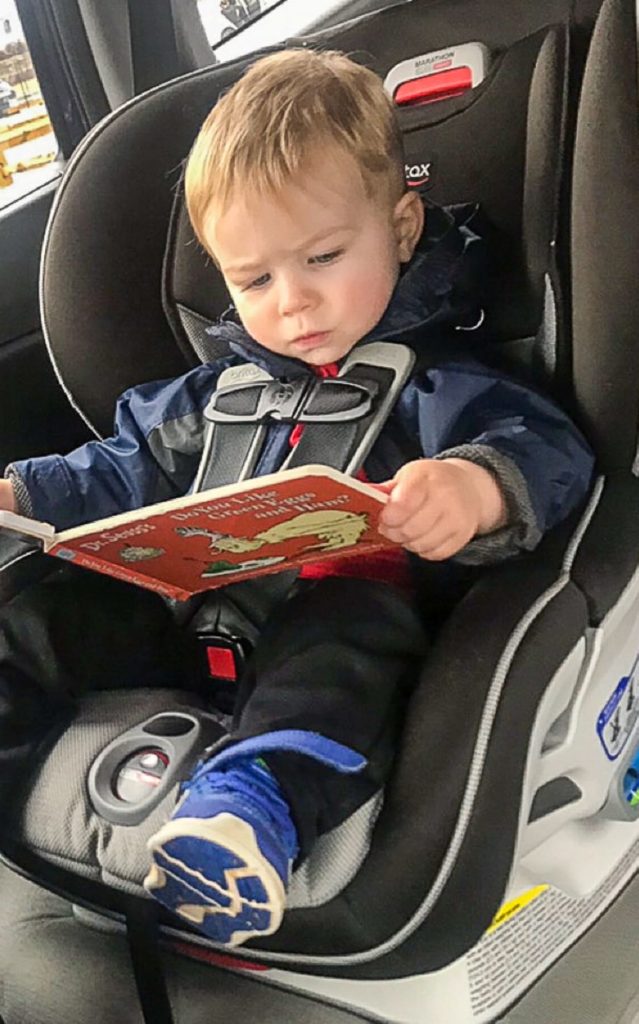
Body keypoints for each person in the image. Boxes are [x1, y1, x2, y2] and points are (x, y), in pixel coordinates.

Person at [0, 49, 594, 947]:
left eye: (323, 256)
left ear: (400, 227)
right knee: (39, 608)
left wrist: (471, 487)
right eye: (254, 281)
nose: (295, 302)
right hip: (192, 615)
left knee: (345, 620)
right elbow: (116, 470)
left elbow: (545, 450)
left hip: (340, 632)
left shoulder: (443, 383)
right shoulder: (212, 395)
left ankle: (252, 812)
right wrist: (20, 489)